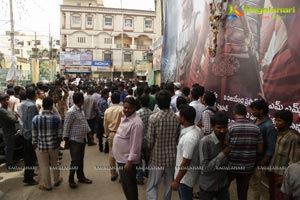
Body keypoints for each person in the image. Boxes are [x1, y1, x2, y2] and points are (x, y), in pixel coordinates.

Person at [146, 90, 180, 200]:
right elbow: (177, 137)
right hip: (171, 157)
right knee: (168, 184)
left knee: (152, 185)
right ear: (169, 102)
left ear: (158, 103)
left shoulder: (154, 118)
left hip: (157, 157)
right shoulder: (176, 118)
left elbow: (150, 141)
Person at [227, 104, 263, 200]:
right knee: (243, 192)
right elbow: (260, 149)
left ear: (234, 112)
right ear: (246, 114)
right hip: (248, 166)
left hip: (231, 165)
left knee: (224, 189)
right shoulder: (256, 128)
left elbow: (225, 147)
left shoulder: (230, 127)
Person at [112, 97, 144, 200]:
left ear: (134, 108)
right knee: (126, 185)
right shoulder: (125, 117)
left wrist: (130, 162)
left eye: (129, 108)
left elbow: (136, 144)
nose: (126, 110)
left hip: (127, 161)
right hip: (121, 158)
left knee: (130, 187)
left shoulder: (136, 123)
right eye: (125, 107)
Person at [171, 105, 203, 200]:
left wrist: (177, 181)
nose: (178, 117)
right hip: (188, 175)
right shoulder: (197, 130)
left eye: (179, 115)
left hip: (185, 178)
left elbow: (186, 161)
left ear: (183, 118)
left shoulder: (190, 137)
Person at [32, 97, 63, 191]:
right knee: (55, 163)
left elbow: (34, 134)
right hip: (54, 145)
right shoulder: (56, 118)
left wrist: (34, 144)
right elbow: (59, 135)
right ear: (51, 106)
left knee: (44, 165)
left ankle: (47, 185)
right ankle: (57, 180)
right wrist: (58, 143)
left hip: (41, 146)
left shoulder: (36, 118)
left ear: (42, 106)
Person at [63, 92, 93, 189]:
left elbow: (84, 122)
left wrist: (89, 132)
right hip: (74, 140)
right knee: (75, 161)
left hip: (82, 139)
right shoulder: (71, 112)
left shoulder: (80, 110)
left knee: (80, 160)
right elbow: (66, 127)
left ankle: (81, 177)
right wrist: (66, 140)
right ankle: (71, 179)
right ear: (81, 100)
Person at [199, 112, 230, 200]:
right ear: (212, 127)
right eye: (219, 127)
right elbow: (205, 167)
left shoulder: (228, 139)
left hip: (223, 185)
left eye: (225, 127)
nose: (222, 131)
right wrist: (223, 154)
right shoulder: (205, 142)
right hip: (207, 187)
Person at [268, 110, 299, 200]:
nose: (276, 122)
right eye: (276, 120)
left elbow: (293, 160)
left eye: (279, 120)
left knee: (280, 196)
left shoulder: (293, 138)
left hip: (281, 174)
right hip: (272, 170)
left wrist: (284, 177)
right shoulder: (276, 133)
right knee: (271, 194)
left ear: (287, 123)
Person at [249, 99, 276, 200]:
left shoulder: (269, 126)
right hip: (252, 159)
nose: (252, 112)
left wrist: (262, 162)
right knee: (253, 184)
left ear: (261, 111)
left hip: (260, 161)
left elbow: (271, 148)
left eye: (254, 110)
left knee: (256, 185)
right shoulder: (256, 121)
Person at [20, 87, 39, 185]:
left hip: (25, 132)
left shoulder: (24, 104)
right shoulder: (32, 106)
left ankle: (30, 173)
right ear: (34, 95)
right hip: (30, 134)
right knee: (30, 157)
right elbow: (32, 122)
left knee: (28, 157)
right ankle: (28, 178)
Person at [104, 91, 123, 181]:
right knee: (121, 155)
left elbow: (105, 124)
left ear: (111, 100)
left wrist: (107, 134)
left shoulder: (107, 110)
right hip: (121, 134)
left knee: (111, 154)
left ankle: (113, 173)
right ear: (119, 99)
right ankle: (122, 174)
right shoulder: (122, 109)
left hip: (111, 133)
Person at [136, 94, 152, 184]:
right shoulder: (151, 112)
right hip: (148, 138)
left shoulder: (138, 113)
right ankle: (147, 172)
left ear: (140, 102)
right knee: (147, 158)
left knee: (138, 159)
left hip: (139, 138)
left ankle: (139, 177)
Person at [0, 94, 18, 169]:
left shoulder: (7, 108)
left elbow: (14, 115)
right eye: (5, 100)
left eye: (8, 99)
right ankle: (9, 163)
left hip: (10, 130)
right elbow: (13, 118)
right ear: (1, 101)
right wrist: (15, 116)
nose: (7, 101)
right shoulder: (2, 110)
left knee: (11, 146)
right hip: (7, 131)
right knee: (9, 147)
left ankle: (11, 161)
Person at [96, 88, 109, 152]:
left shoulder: (98, 100)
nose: (108, 95)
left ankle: (100, 147)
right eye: (107, 94)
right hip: (103, 118)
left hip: (99, 118)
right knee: (106, 133)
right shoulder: (104, 102)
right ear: (104, 94)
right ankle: (106, 147)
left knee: (100, 133)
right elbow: (106, 111)